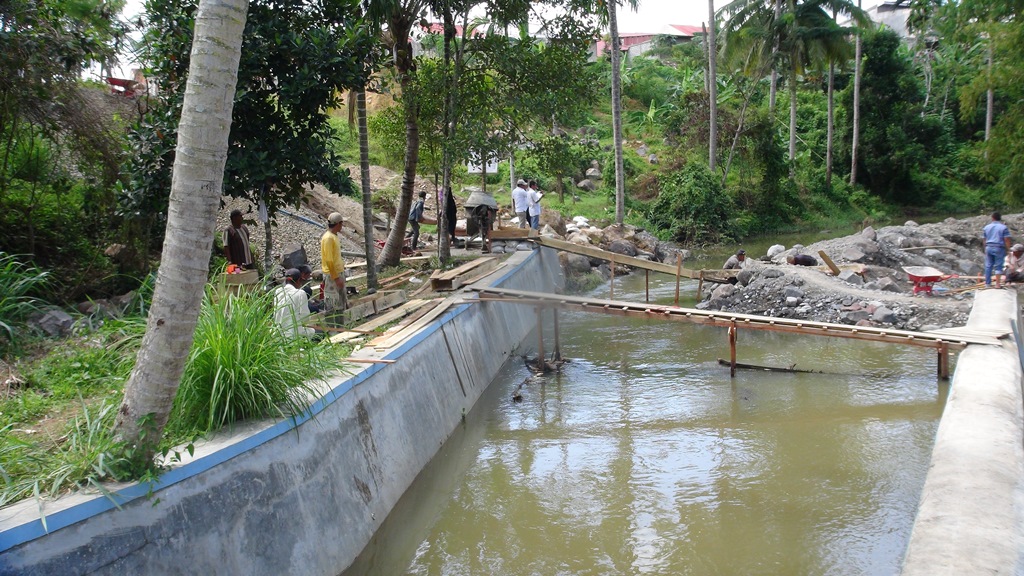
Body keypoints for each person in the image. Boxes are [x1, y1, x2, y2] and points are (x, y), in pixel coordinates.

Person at [273, 268, 315, 339]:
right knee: (316, 332)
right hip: (294, 334)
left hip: (279, 334)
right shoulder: (300, 293)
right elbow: (305, 318)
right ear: (298, 280)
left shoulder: (278, 291)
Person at [321, 212, 347, 315]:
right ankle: (332, 328)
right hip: (331, 275)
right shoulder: (328, 238)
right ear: (338, 224)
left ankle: (340, 326)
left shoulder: (334, 236)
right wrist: (336, 278)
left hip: (337, 273)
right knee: (331, 303)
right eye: (342, 224)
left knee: (340, 303)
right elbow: (329, 260)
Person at [983, 211, 1012, 288]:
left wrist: (985, 248)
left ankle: (987, 284)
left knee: (988, 265)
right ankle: (997, 284)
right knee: (998, 266)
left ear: (992, 218)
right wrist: (1008, 249)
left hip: (988, 247)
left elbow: (984, 239)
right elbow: (1006, 239)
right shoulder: (1003, 227)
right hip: (999, 247)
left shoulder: (986, 227)